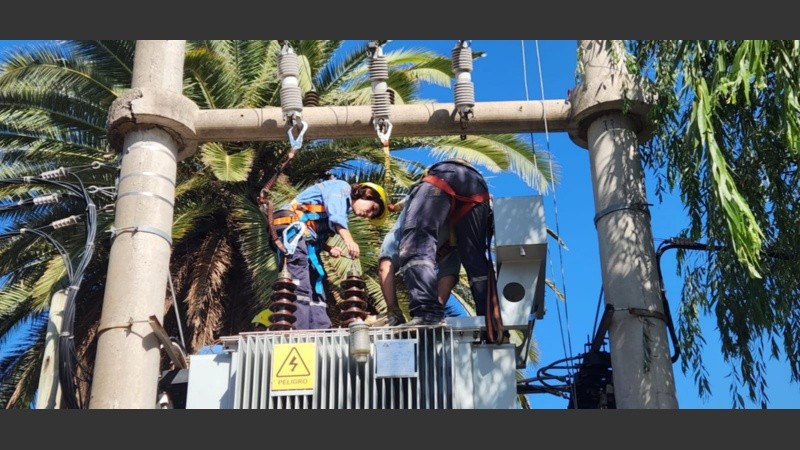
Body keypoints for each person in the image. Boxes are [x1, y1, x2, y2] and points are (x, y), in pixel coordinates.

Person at [269, 179, 388, 330]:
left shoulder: (343, 205)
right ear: (367, 195)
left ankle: (319, 331)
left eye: (372, 215)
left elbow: (312, 230)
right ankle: (299, 333)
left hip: (304, 239)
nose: (368, 214)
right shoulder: (341, 188)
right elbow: (336, 217)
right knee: (300, 282)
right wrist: (349, 241)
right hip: (291, 231)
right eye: (373, 208)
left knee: (316, 285)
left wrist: (327, 248)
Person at [397, 159, 493, 326]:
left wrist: (393, 308)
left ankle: (426, 313)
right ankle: (491, 322)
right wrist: (439, 306)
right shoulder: (453, 244)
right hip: (477, 187)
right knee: (474, 257)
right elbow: (449, 272)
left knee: (415, 244)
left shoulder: (395, 236)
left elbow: (388, 259)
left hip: (444, 176)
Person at [377, 197, 461, 326]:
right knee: (448, 270)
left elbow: (385, 267)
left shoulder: (397, 234)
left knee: (390, 260)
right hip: (453, 229)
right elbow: (448, 274)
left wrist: (393, 308)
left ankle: (397, 312)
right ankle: (433, 315)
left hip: (429, 230)